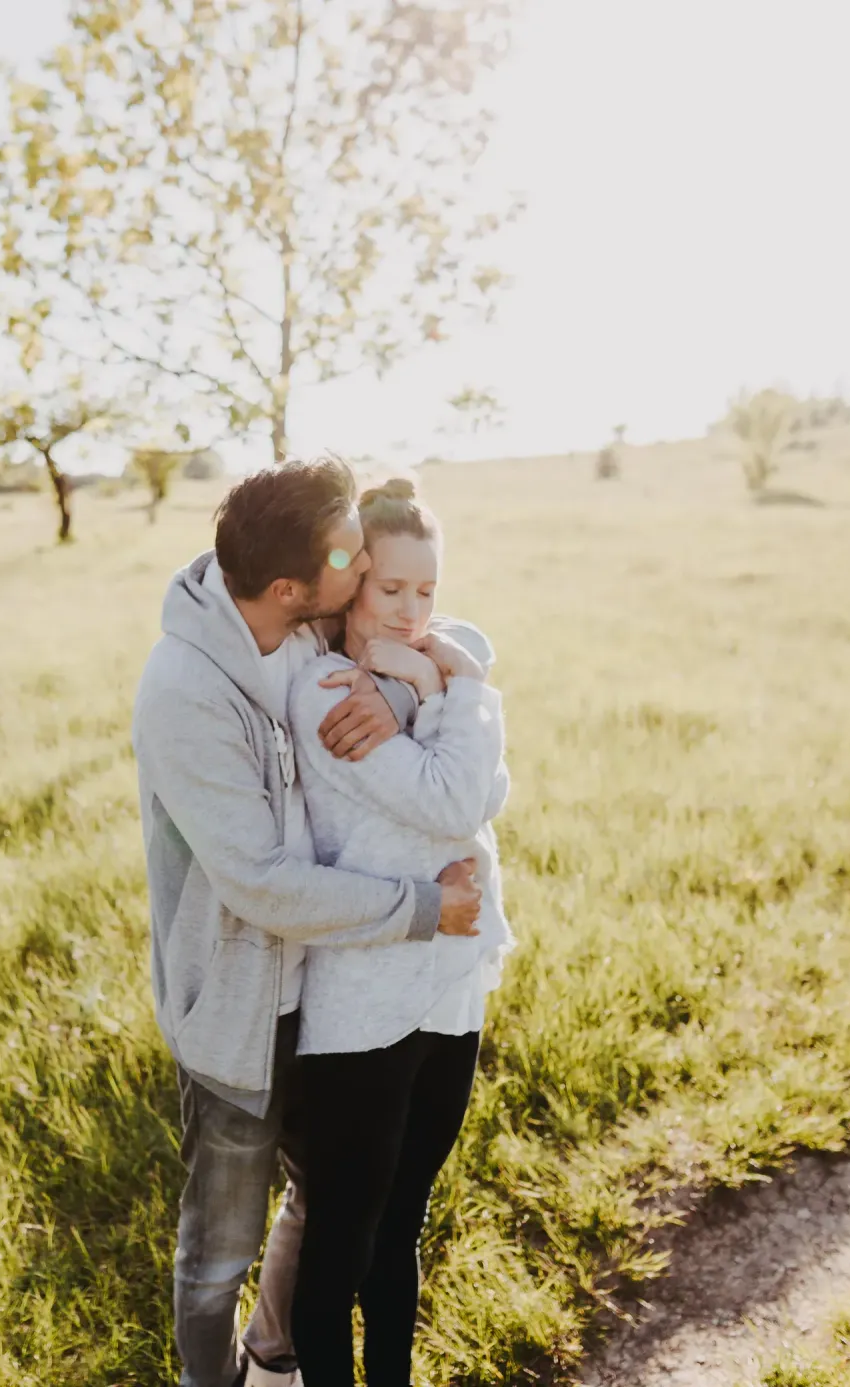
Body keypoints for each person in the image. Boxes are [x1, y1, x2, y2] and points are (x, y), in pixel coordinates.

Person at [132, 458, 485, 1387]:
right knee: (220, 1245)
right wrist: (423, 908)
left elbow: (446, 624)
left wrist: (414, 684)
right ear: (296, 588)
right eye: (352, 558)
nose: (366, 566)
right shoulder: (188, 691)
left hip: (333, 986)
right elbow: (262, 883)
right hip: (241, 1007)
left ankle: (276, 1355)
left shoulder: (302, 615)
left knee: (322, 1200)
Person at [286, 479, 513, 1387]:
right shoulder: (329, 691)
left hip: (452, 983)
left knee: (403, 1222)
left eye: (429, 590)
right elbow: (464, 795)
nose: (415, 612)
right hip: (366, 1003)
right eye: (392, 591)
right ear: (352, 582)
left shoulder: (433, 668)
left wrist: (437, 677)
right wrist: (453, 688)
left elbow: (491, 793)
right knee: (341, 1242)